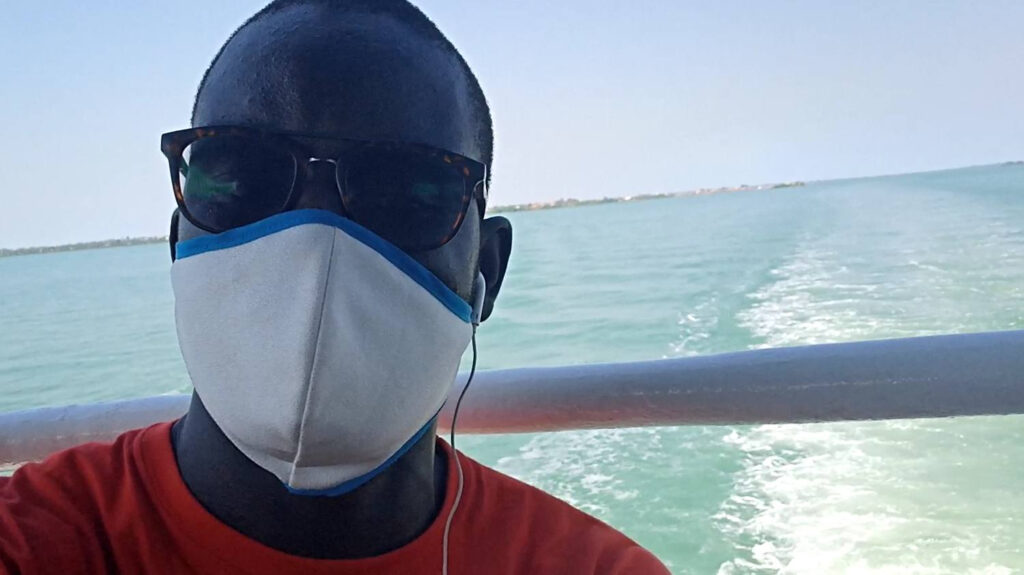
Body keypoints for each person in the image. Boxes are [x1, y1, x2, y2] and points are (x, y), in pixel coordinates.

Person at [0, 1, 669, 573]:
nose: (315, 242)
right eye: (239, 176)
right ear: (180, 239)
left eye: (405, 191)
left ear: (484, 273)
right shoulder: (36, 541)